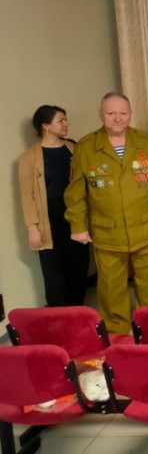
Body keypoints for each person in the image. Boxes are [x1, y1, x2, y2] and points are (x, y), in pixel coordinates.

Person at [64, 93, 148, 334]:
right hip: (107, 231)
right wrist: (78, 226)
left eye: (123, 113)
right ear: (101, 115)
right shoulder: (86, 147)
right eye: (111, 113)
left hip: (146, 227)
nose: (118, 118)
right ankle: (117, 333)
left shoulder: (146, 142)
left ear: (130, 114)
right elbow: (75, 193)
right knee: (111, 286)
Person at [19, 105, 89, 306]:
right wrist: (32, 227)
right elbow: (27, 195)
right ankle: (58, 313)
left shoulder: (73, 148)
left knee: (78, 264)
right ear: (46, 126)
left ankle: (77, 309)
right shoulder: (29, 157)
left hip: (75, 213)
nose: (66, 124)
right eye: (61, 120)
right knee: (53, 268)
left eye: (65, 120)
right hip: (48, 217)